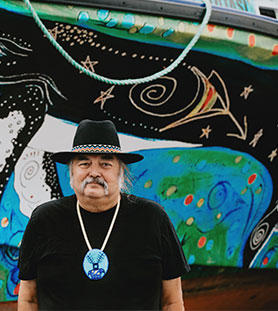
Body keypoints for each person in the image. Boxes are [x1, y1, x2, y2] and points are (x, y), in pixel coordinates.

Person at [17, 119, 190, 311]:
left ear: (120, 172)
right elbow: (29, 299)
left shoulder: (152, 218)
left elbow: (172, 302)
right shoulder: (44, 219)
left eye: (105, 164)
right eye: (84, 163)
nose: (94, 172)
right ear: (71, 172)